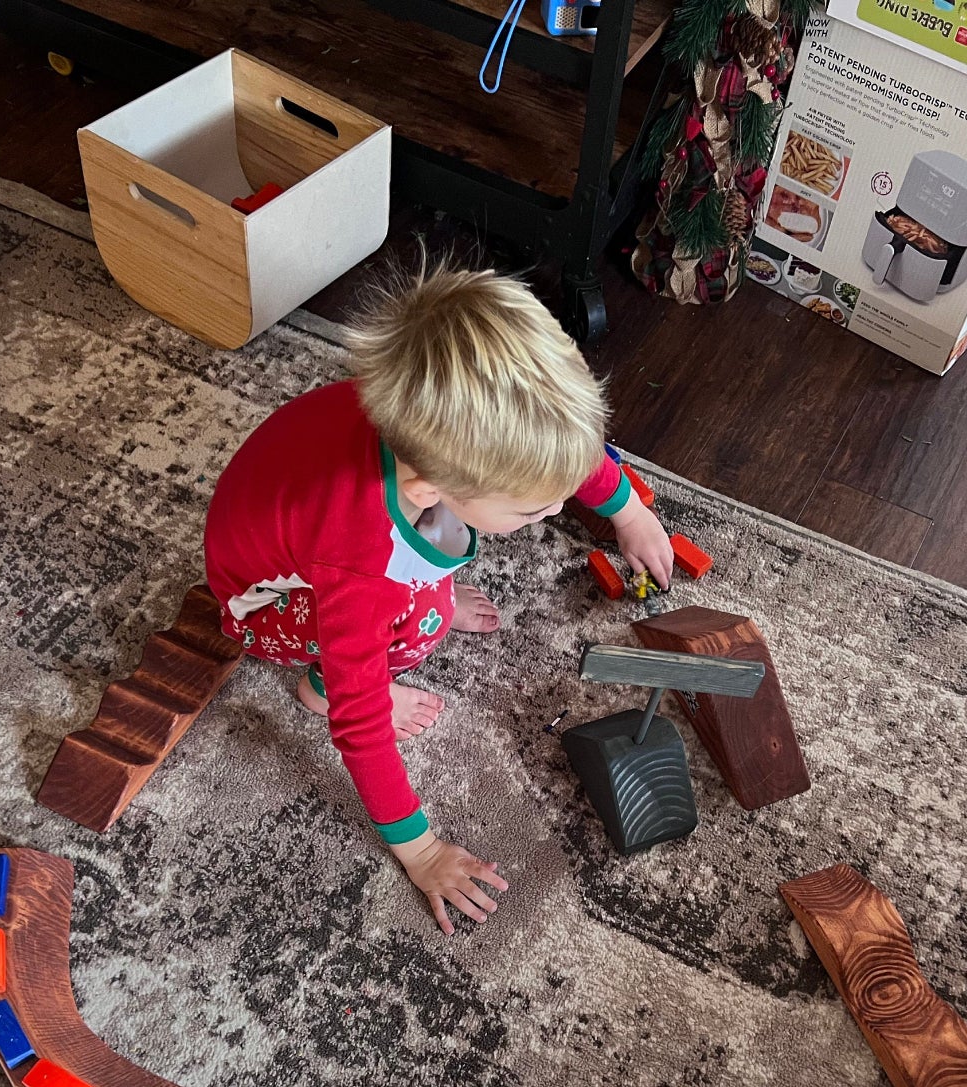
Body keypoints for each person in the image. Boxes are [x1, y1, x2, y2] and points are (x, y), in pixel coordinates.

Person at [204, 261, 674, 934]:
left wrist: (630, 514)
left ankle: (419, 588)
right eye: (535, 508)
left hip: (320, 535)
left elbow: (572, 449)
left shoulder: (434, 431)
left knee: (433, 575)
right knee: (418, 622)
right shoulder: (359, 561)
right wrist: (421, 851)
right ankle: (314, 682)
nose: (551, 514)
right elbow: (362, 725)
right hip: (266, 604)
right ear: (427, 489)